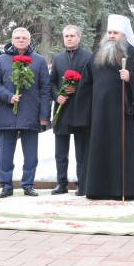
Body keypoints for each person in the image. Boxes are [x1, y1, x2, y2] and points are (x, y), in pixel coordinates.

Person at [84, 15, 134, 200]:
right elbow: (86, 84)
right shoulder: (96, 56)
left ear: (124, 35)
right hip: (100, 114)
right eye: (109, 32)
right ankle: (97, 189)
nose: (111, 36)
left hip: (124, 114)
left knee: (123, 151)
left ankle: (128, 190)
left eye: (115, 32)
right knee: (100, 149)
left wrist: (131, 77)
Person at [0, 27, 51, 198]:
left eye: (24, 38)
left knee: (31, 154)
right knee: (5, 153)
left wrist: (44, 115)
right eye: (17, 37)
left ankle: (28, 184)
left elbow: (45, 89)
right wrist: (9, 97)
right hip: (7, 111)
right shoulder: (1, 60)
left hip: (31, 112)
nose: (21, 40)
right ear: (12, 39)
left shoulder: (39, 61)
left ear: (29, 40)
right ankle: (6, 185)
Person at [49, 25, 93, 196]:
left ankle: (82, 183)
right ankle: (61, 183)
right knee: (60, 151)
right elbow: (51, 82)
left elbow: (92, 82)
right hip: (62, 109)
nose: (69, 38)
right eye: (66, 36)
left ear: (79, 37)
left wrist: (78, 89)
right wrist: (56, 96)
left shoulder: (89, 57)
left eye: (72, 36)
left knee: (81, 150)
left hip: (81, 109)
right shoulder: (58, 58)